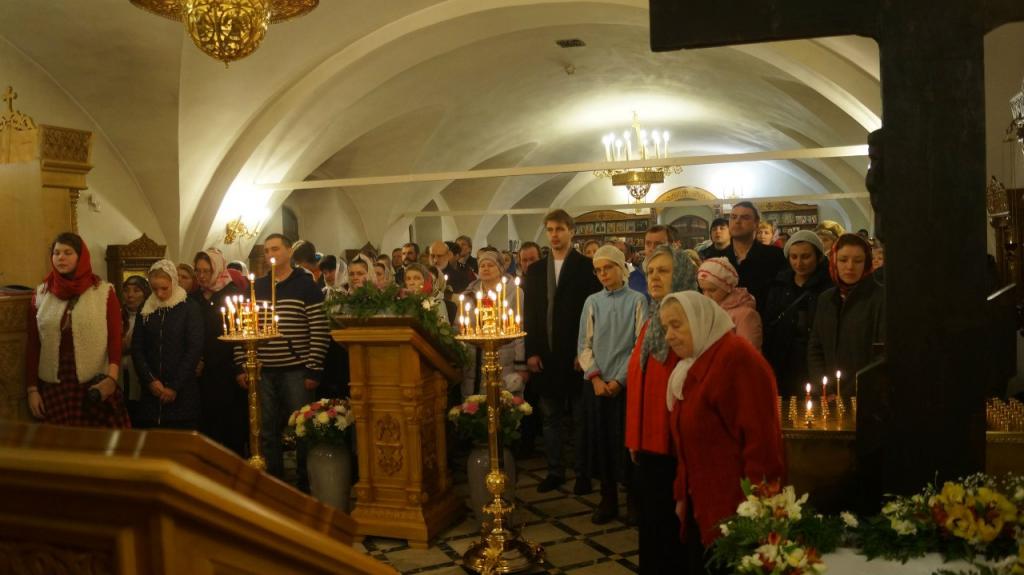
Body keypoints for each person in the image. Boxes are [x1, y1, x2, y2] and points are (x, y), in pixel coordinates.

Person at [661, 291, 785, 573]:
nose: (668, 335)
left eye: (676, 325)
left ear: (701, 319)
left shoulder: (736, 359)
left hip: (735, 515)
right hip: (703, 508)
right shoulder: (692, 365)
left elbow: (762, 446)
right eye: (665, 327)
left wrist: (760, 517)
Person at [625, 244, 697, 571]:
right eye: (650, 271)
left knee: (673, 528)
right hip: (649, 440)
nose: (654, 277)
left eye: (663, 271)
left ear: (680, 274)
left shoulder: (690, 320)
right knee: (652, 521)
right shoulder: (654, 317)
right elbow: (639, 381)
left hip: (676, 443)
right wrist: (634, 438)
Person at [238, 233, 330, 486]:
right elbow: (243, 327)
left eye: (276, 249)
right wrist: (242, 364)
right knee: (266, 430)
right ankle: (274, 483)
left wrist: (314, 369)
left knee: (303, 430)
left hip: (297, 370)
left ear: (289, 251)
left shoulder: (305, 285)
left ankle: (304, 483)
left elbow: (318, 329)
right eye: (267, 250)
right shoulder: (258, 287)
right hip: (264, 370)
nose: (271, 255)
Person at [524, 209, 602, 493]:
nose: (554, 235)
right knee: (550, 417)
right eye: (550, 230)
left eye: (559, 229)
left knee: (580, 419)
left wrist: (584, 353)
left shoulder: (585, 266)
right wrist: (531, 351)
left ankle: (582, 472)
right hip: (545, 353)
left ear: (572, 231)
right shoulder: (535, 270)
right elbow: (529, 313)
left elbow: (591, 311)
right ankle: (554, 470)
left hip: (576, 353)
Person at [26, 232, 130, 428]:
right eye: (56, 253)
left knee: (99, 446)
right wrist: (32, 390)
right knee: (63, 447)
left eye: (68, 252)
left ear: (81, 257)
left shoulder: (103, 292)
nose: (61, 258)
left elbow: (114, 340)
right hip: (55, 382)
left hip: (94, 382)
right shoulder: (41, 294)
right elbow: (33, 345)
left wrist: (111, 379)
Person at [578, 245, 647, 524]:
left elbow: (639, 345)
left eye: (609, 267)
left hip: (625, 385)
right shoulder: (592, 302)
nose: (603, 274)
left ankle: (632, 498)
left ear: (621, 268)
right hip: (597, 385)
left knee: (627, 442)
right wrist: (595, 377)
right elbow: (585, 344)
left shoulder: (638, 300)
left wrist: (620, 379)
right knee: (602, 441)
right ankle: (607, 498)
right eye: (599, 269)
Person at [132, 260, 204, 430]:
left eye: (164, 288)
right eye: (155, 288)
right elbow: (137, 348)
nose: (160, 293)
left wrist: (173, 386)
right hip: (152, 393)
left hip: (182, 392)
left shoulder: (189, 307)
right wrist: (150, 380)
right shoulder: (146, 307)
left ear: (173, 282)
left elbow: (194, 350)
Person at [762, 231, 833, 397]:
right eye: (794, 257)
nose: (799, 263)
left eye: (805, 256)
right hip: (784, 360)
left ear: (818, 257)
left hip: (814, 360)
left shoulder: (829, 286)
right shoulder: (780, 284)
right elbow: (770, 320)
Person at [807, 233, 884, 384]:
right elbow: (816, 348)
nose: (850, 267)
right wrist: (825, 387)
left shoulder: (880, 298)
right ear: (834, 261)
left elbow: (882, 355)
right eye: (843, 260)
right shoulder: (826, 298)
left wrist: (852, 390)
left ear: (867, 263)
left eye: (858, 261)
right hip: (829, 394)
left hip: (865, 392)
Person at [194, 248, 247, 454]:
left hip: (228, 367)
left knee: (230, 424)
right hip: (204, 370)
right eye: (198, 271)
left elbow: (239, 333)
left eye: (206, 271)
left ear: (217, 269)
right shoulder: (196, 297)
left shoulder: (231, 293)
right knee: (209, 424)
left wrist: (240, 367)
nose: (202, 276)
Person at [461, 250, 527, 398]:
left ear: (500, 269)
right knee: (476, 405)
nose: (485, 268)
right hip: (474, 359)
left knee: (503, 401)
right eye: (482, 265)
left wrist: (520, 364)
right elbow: (461, 327)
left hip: (504, 355)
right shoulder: (469, 294)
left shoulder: (514, 292)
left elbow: (519, 328)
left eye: (490, 265)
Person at [725, 201, 787, 314]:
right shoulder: (717, 257)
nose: (737, 221)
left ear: (756, 222)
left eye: (745, 217)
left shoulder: (775, 256)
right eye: (733, 217)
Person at [697, 258, 762, 350]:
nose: (706, 296)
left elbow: (748, 354)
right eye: (703, 290)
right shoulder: (707, 310)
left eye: (712, 290)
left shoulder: (745, 315)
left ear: (726, 287)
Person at [120, 275, 150, 422]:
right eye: (126, 290)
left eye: (136, 290)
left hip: (141, 376)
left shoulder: (149, 316)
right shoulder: (117, 315)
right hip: (120, 374)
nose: (130, 295)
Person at [630, 225, 677, 297]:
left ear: (671, 245)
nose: (652, 248)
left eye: (658, 244)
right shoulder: (632, 275)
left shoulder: (679, 273)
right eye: (648, 243)